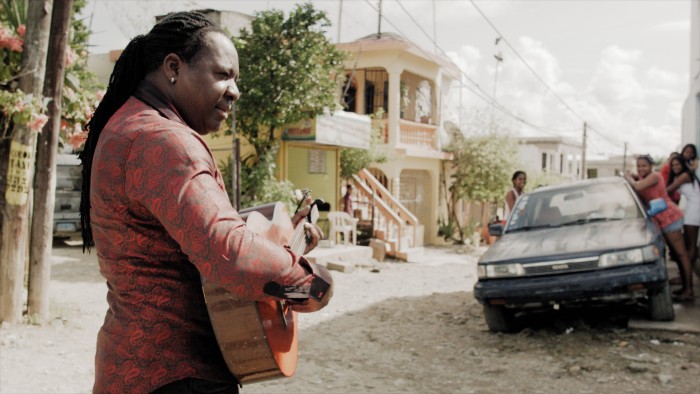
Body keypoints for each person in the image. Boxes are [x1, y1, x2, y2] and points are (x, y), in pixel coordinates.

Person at [78, 12, 333, 393]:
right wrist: (310, 283)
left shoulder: (133, 125)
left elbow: (198, 236)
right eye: (223, 74)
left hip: (138, 365)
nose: (235, 90)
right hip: (176, 373)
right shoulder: (162, 139)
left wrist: (287, 242)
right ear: (173, 68)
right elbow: (229, 252)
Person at [624, 155, 694, 302]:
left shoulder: (655, 176)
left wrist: (628, 177)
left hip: (670, 217)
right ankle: (685, 287)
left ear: (651, 166)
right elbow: (639, 181)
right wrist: (634, 176)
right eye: (639, 166)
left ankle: (689, 290)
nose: (641, 169)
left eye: (644, 166)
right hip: (662, 220)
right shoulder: (645, 177)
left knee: (681, 255)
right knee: (677, 254)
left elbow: (637, 186)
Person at [666, 155, 700, 285]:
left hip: (694, 210)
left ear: (683, 165)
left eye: (677, 165)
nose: (675, 167)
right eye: (673, 165)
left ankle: (686, 277)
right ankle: (686, 276)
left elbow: (668, 190)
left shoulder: (684, 176)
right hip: (691, 209)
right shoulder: (682, 175)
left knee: (690, 247)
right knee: (689, 246)